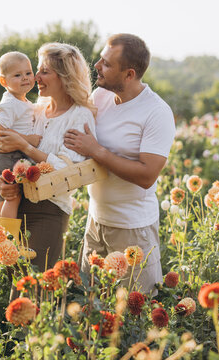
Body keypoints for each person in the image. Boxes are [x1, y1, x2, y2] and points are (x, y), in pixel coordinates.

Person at [63, 33, 176, 295]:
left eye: (107, 64)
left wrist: (97, 151)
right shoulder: (101, 96)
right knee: (91, 306)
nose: (97, 66)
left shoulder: (157, 112)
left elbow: (147, 175)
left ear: (129, 74)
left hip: (132, 229)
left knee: (134, 316)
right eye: (101, 59)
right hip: (96, 222)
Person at [0, 42, 97, 272]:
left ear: (64, 77)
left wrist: (26, 146)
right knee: (11, 284)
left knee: (31, 285)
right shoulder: (35, 110)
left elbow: (69, 171)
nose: (36, 77)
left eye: (44, 71)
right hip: (16, 205)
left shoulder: (80, 116)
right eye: (38, 70)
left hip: (49, 210)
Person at [0, 51, 41, 262]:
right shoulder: (9, 105)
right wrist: (29, 139)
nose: (25, 78)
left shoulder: (20, 101)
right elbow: (0, 134)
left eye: (28, 72)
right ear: (3, 81)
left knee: (4, 201)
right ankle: (7, 244)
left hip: (11, 155)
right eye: (17, 75)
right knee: (13, 196)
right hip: (8, 156)